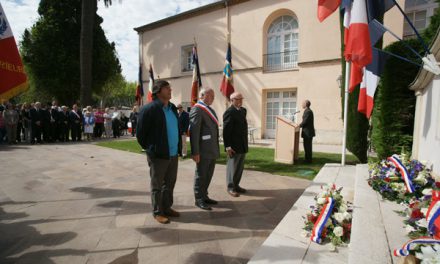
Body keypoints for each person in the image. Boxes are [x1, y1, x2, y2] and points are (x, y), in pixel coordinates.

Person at [136, 80, 181, 224]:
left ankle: (167, 207)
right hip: (158, 155)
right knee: (157, 185)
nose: (170, 90)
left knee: (170, 183)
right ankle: (157, 212)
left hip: (173, 154)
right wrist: (152, 149)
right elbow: (140, 134)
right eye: (167, 88)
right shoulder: (149, 109)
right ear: (158, 91)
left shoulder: (173, 108)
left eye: (170, 88)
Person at [189, 88, 220, 211]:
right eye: (211, 95)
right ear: (202, 95)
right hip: (202, 150)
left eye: (213, 95)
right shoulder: (197, 109)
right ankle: (199, 199)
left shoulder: (209, 109)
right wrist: (195, 152)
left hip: (211, 149)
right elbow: (194, 132)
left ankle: (204, 195)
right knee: (201, 175)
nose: (213, 97)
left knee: (208, 174)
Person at [223, 92, 248, 197]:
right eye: (237, 99)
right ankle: (230, 187)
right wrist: (228, 147)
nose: (240, 101)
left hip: (242, 144)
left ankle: (236, 185)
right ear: (232, 100)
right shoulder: (229, 112)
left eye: (241, 99)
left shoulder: (243, 111)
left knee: (239, 168)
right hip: (233, 146)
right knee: (232, 167)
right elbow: (226, 131)